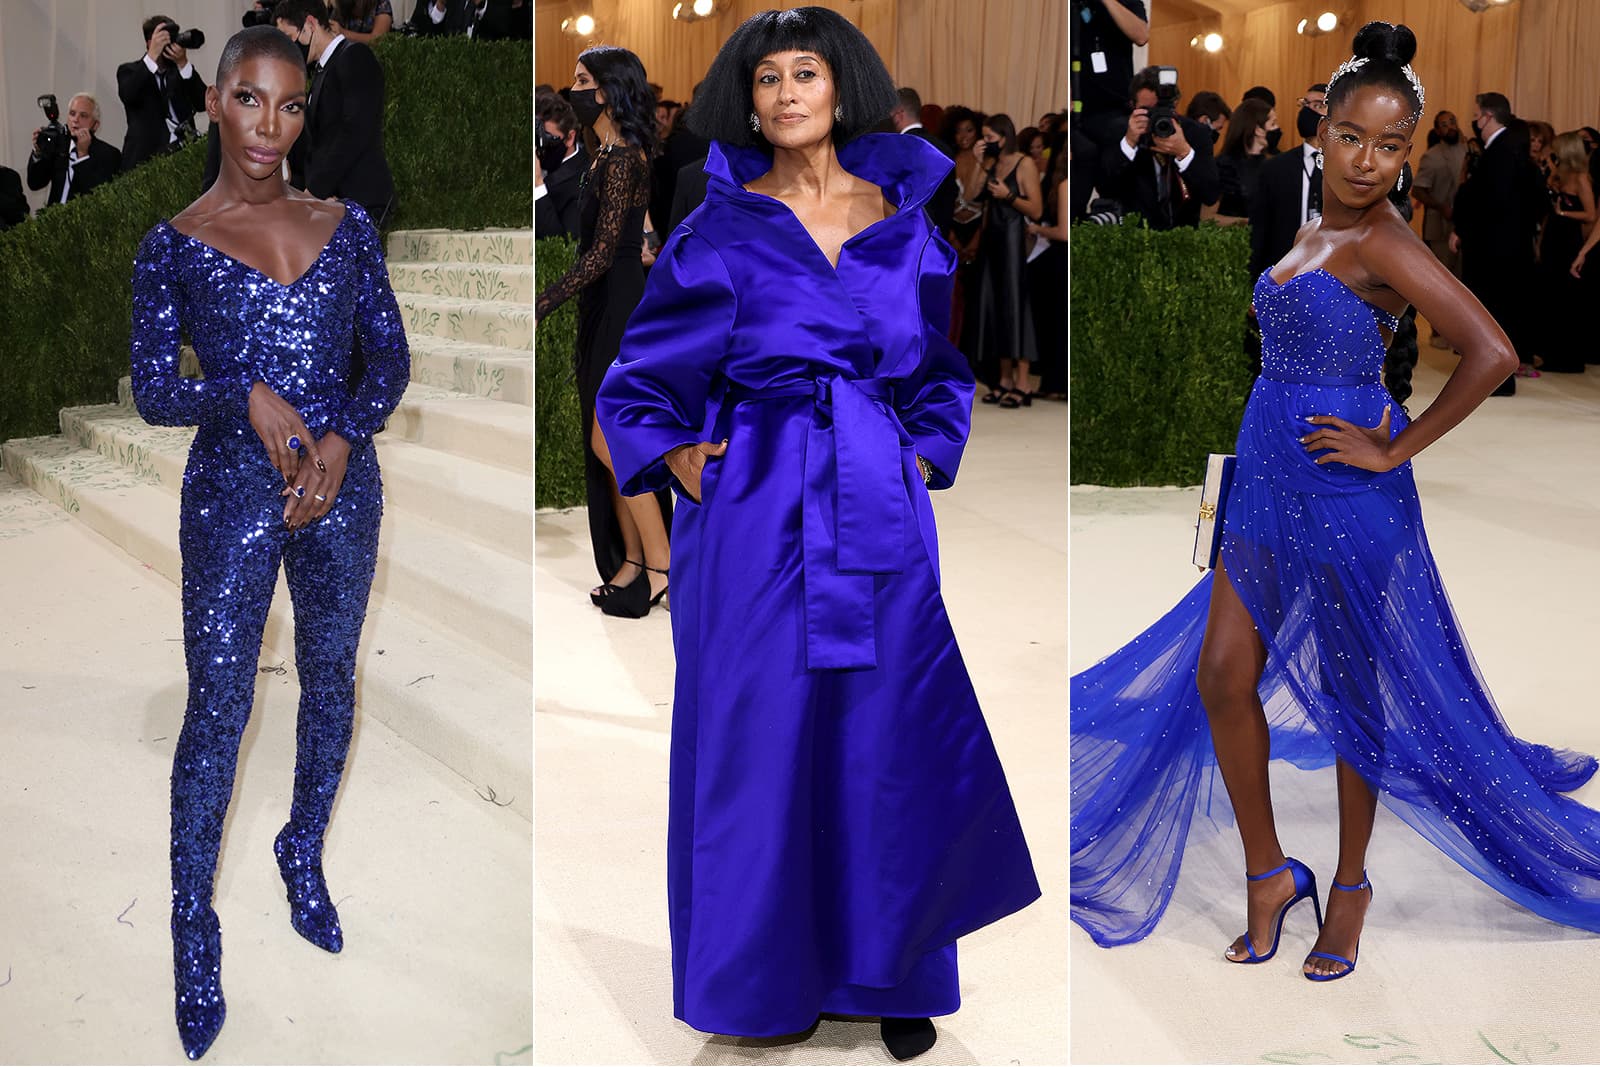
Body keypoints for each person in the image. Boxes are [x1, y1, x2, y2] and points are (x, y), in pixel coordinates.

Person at [1072, 20, 1600, 981]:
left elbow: (1490, 352)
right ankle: (1270, 872)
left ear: (1408, 151)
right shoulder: (1319, 225)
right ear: (1321, 132)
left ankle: (1349, 886)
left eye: (1393, 145)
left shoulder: (1388, 240)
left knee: (1356, 695)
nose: (1370, 159)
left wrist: (1396, 448)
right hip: (1270, 472)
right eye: (1353, 137)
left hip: (1348, 485)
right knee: (1223, 676)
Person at [593, 8, 1039, 1059]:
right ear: (744, 101)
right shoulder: (719, 227)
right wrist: (688, 458)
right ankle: (765, 976)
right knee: (762, 742)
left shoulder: (904, 212)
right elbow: (640, 378)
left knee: (890, 731)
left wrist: (923, 448)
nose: (787, 93)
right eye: (765, 80)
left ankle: (897, 963)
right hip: (753, 514)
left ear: (840, 86)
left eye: (805, 73)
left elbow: (934, 361)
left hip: (879, 499)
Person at [129, 25, 408, 1059]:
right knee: (220, 703)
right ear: (213, 100)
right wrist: (238, 390)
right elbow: (157, 385)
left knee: (332, 681)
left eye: (291, 106)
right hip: (231, 495)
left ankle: (301, 846)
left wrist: (341, 435)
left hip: (341, 485)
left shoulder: (346, 225)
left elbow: (389, 358)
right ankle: (191, 919)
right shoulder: (171, 240)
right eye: (251, 99)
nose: (270, 126)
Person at [533, 46, 671, 618]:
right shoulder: (607, 152)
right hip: (603, 306)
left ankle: (661, 563)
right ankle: (632, 563)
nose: (575, 90)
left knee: (610, 441)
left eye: (585, 81)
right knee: (610, 446)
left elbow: (600, 255)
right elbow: (635, 239)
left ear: (611, 89)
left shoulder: (621, 159)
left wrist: (542, 300)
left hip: (617, 308)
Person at [1451, 92, 1548, 393]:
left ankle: (1497, 380)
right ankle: (1496, 376)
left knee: (1495, 313)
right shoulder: (1511, 150)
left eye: (1477, 114)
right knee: (1502, 312)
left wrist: (1465, 228)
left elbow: (1490, 203)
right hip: (1508, 247)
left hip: (1494, 250)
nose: (1475, 120)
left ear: (1488, 116)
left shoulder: (1501, 152)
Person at [273, 0, 397, 228]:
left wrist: (316, 192)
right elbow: (316, 143)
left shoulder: (355, 57)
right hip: (331, 203)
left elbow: (355, 131)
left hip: (359, 202)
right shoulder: (321, 72)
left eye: (289, 38)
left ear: (310, 24)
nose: (289, 49)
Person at [971, 113, 1044, 407]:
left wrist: (1008, 195)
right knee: (995, 307)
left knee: (1016, 307)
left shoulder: (1023, 162)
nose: (987, 143)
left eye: (991, 138)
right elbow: (974, 196)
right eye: (984, 138)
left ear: (1005, 136)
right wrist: (979, 163)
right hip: (992, 241)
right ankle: (1004, 379)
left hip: (1014, 240)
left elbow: (1036, 210)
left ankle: (1023, 383)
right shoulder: (991, 163)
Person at [1097, 67, 1222, 232]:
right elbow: (1105, 187)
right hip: (1133, 237)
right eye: (1147, 111)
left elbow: (1210, 194)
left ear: (1175, 104)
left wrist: (1184, 153)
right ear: (1132, 106)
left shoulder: (1195, 134)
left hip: (1183, 238)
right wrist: (1129, 143)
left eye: (1163, 109)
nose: (1155, 117)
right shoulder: (1120, 130)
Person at [1533, 131, 1595, 373]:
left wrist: (1564, 214)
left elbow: (1590, 214)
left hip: (1569, 240)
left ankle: (1568, 358)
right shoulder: (1558, 176)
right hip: (1553, 239)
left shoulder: (1581, 178)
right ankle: (1550, 354)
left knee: (1566, 299)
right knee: (1551, 297)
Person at [1248, 82, 1326, 275]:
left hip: (1333, 275)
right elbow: (1259, 231)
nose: (1307, 111)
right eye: (1304, 104)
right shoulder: (1275, 168)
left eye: (1317, 105)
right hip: (1282, 273)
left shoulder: (1347, 167)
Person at [118, 15, 208, 171]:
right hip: (146, 161)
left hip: (184, 158)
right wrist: (152, 56)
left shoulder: (179, 72)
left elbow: (202, 103)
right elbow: (129, 95)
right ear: (149, 43)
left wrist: (183, 64)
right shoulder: (129, 71)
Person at [1409, 109, 1467, 349]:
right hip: (1439, 227)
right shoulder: (1431, 157)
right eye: (1444, 124)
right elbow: (1418, 190)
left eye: (1452, 122)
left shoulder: (1468, 152)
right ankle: (1439, 332)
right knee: (1444, 283)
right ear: (1437, 130)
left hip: (1464, 226)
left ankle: (1461, 335)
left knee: (1463, 281)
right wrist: (1441, 206)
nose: (1449, 127)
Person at [27, 93, 122, 206]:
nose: (75, 120)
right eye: (72, 114)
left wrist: (82, 155)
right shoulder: (59, 144)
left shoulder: (109, 154)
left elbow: (99, 199)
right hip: (53, 220)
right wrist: (38, 152)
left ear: (95, 125)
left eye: (83, 116)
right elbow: (35, 183)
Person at [890, 86, 957, 234]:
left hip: (907, 236)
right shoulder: (944, 148)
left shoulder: (896, 149)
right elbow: (949, 198)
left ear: (898, 114)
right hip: (938, 235)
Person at [1209, 97, 1276, 225]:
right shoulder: (1222, 166)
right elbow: (1207, 217)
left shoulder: (1274, 164)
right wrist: (1248, 222)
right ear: (1258, 130)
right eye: (1273, 124)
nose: (1277, 129)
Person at [535, 91, 586, 240]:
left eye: (547, 138)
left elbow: (565, 248)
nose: (540, 145)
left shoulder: (584, 179)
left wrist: (538, 185)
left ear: (570, 138)